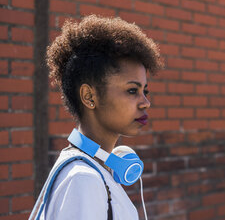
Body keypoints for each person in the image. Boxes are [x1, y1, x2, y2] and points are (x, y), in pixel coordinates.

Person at [29, 15, 164, 220]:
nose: (145, 102)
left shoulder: (95, 169)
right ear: (89, 97)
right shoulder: (83, 180)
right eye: (131, 90)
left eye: (145, 91)